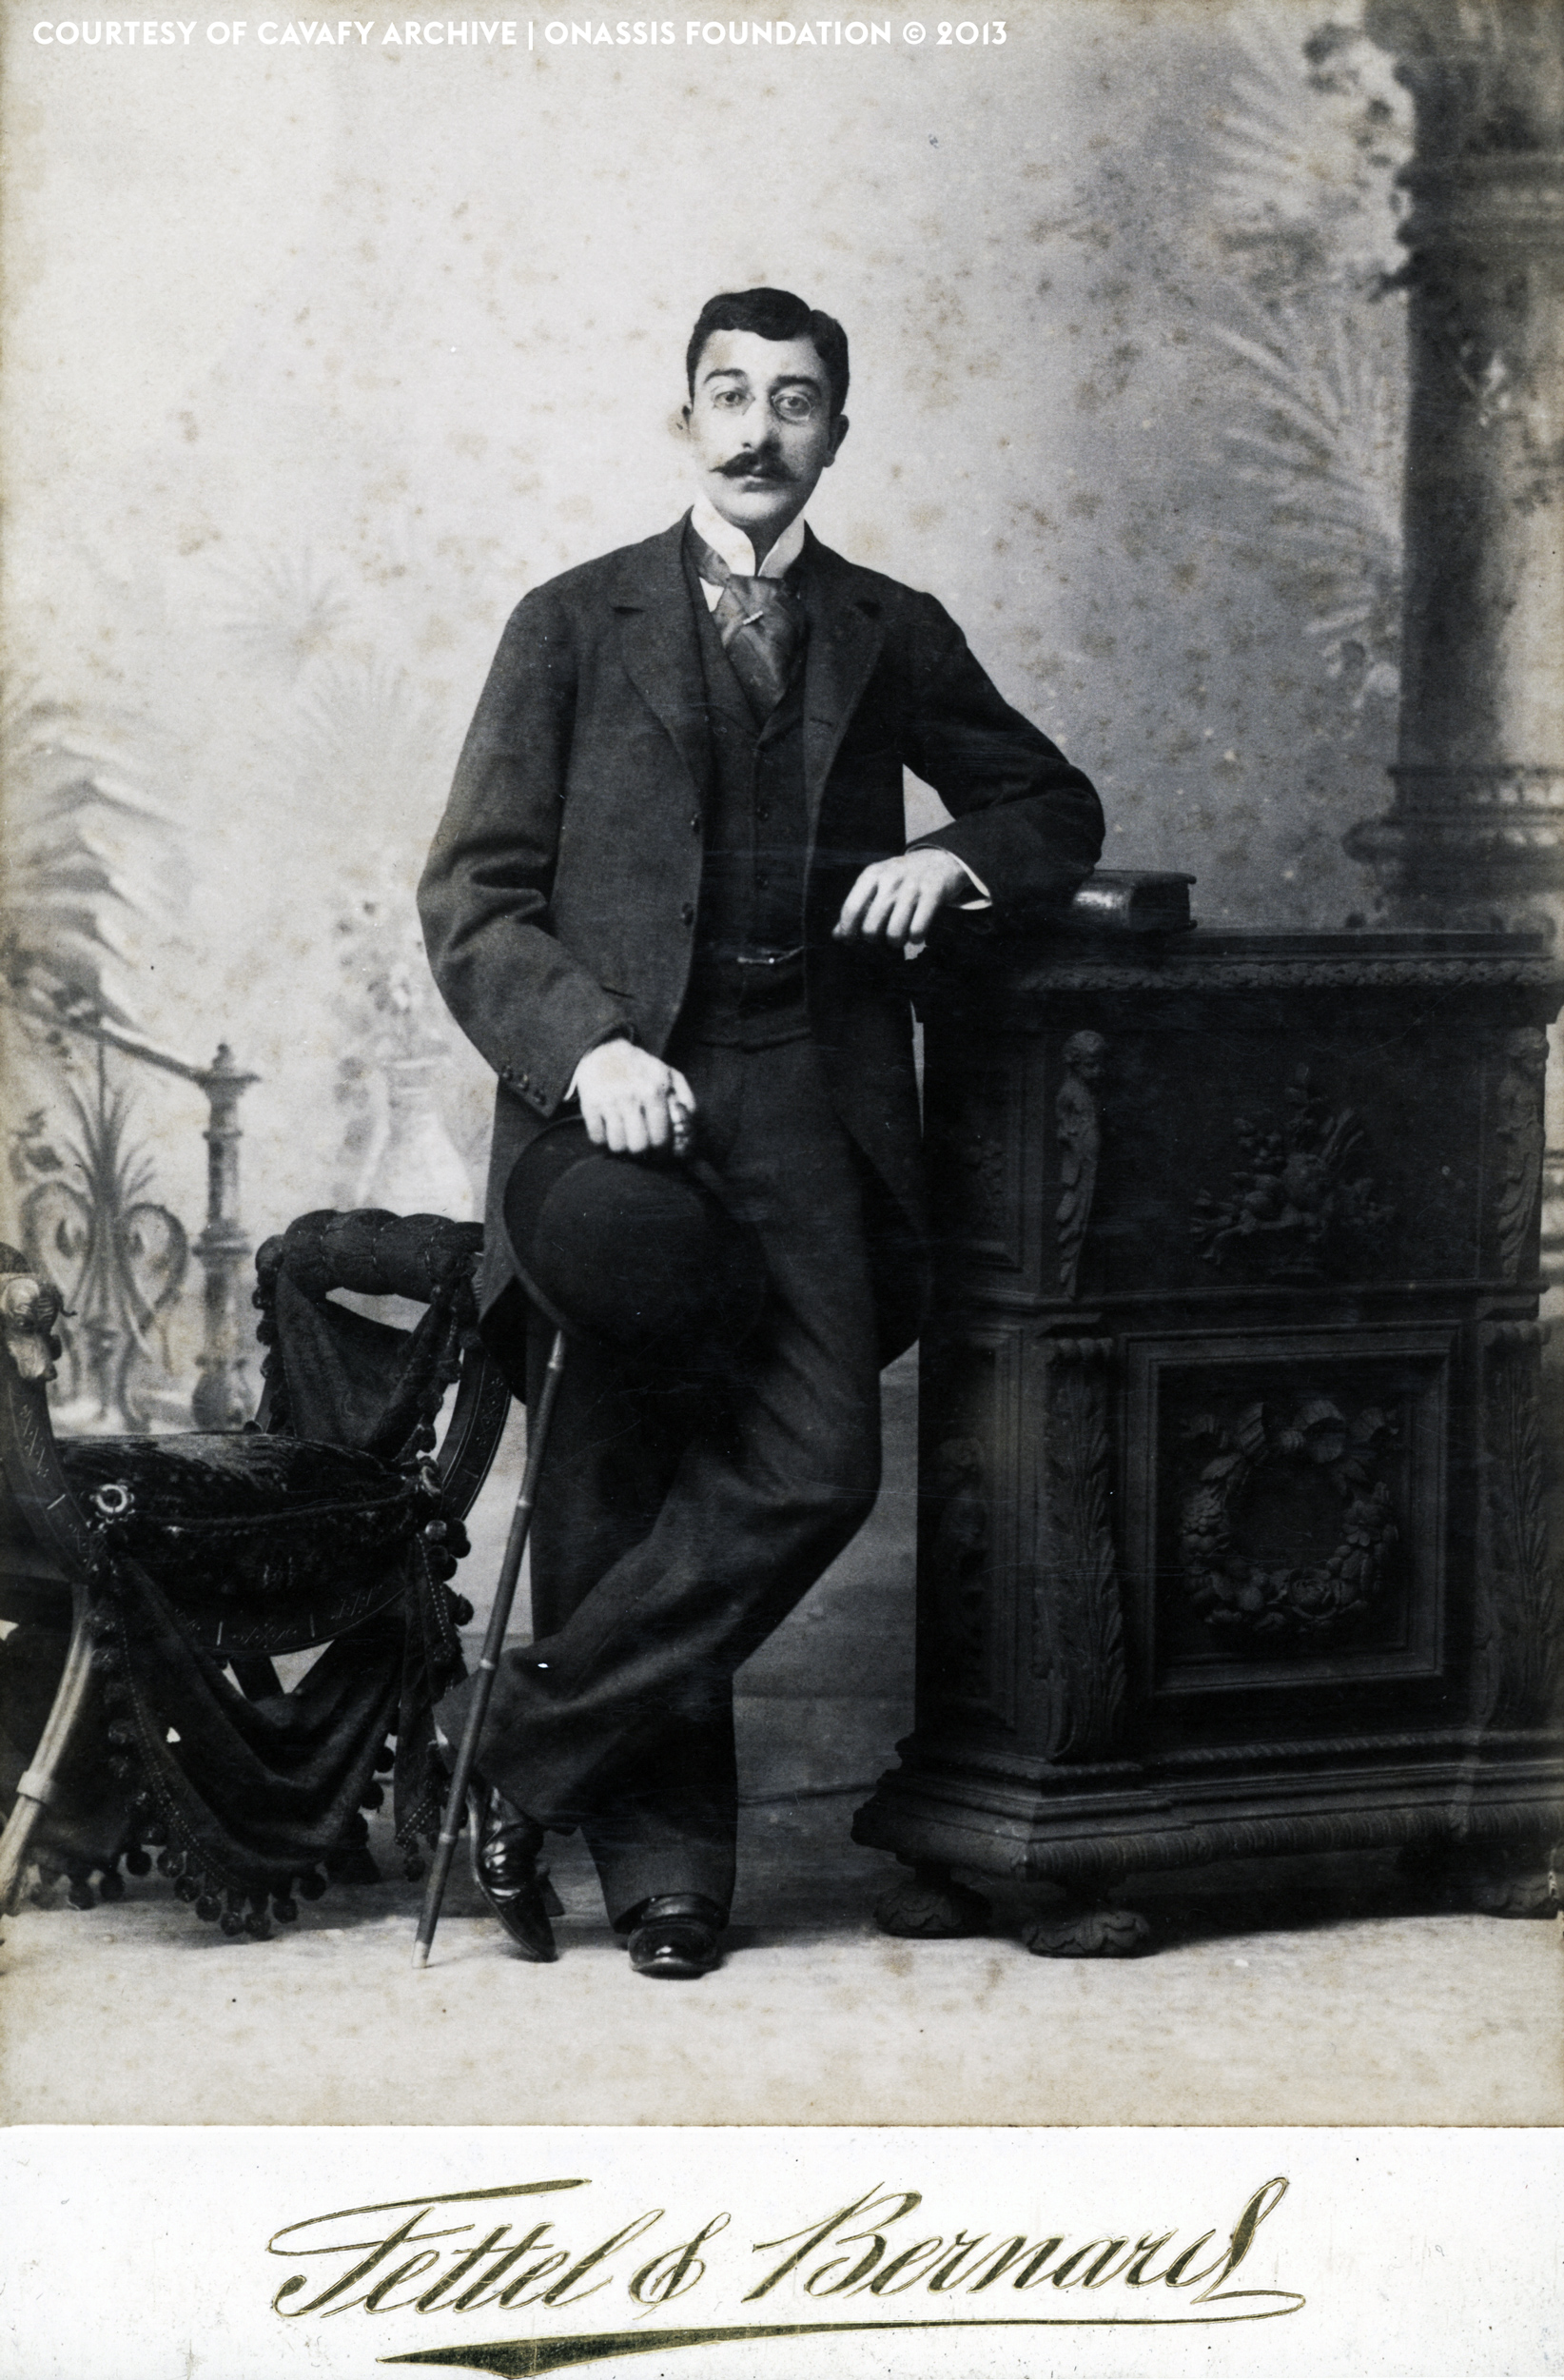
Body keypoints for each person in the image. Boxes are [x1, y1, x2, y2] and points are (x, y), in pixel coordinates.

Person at [418, 285, 1103, 1977]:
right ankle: (669, 1876)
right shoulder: (570, 622)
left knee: (814, 1462)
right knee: (621, 1443)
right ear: (684, 421)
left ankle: (514, 1747)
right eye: (729, 395)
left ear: (836, 436)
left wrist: (954, 858)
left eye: (794, 402)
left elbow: (1051, 802)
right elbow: (475, 898)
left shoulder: (889, 626)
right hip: (610, 1099)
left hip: (810, 1086)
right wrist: (587, 1050)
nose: (757, 431)